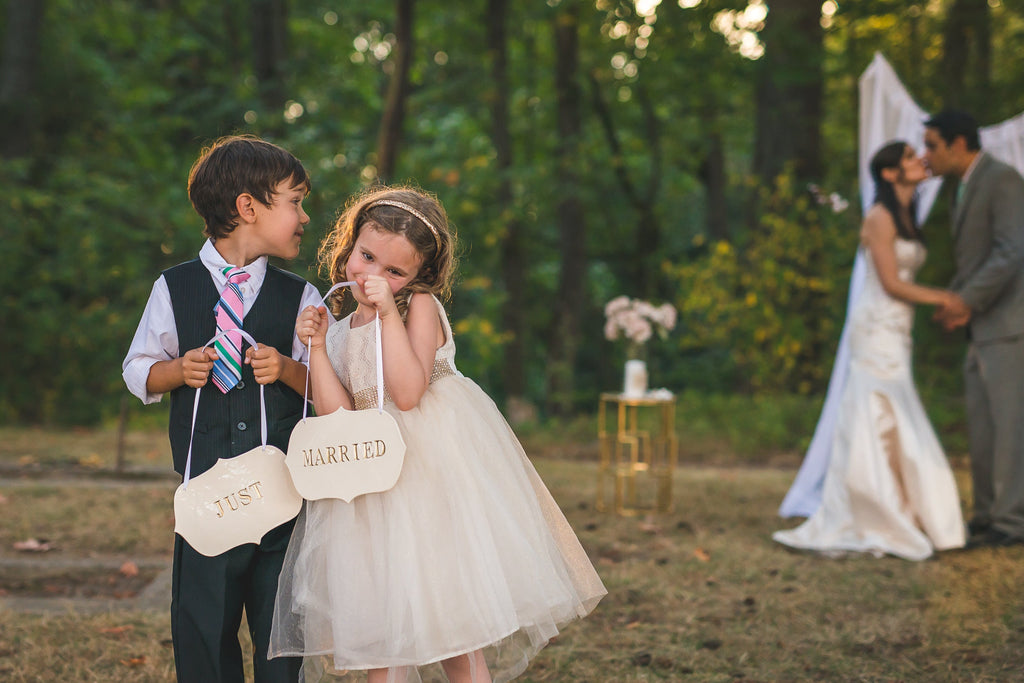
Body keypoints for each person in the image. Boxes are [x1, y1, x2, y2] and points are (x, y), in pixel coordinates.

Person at [269, 186, 606, 682]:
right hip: (368, 487)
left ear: (417, 276)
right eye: (365, 257)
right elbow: (337, 412)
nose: (372, 276)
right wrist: (318, 348)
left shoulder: (416, 307)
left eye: (394, 271)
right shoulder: (341, 325)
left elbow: (407, 393)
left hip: (428, 481)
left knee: (452, 626)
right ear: (349, 245)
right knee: (379, 632)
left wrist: (387, 313)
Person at [123, 135, 323, 682]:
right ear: (248, 206)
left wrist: (287, 368)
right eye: (295, 201)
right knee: (203, 633)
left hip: (283, 504)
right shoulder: (175, 287)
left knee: (281, 636)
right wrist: (174, 372)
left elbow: (325, 391)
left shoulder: (301, 297)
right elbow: (138, 366)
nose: (304, 216)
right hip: (204, 500)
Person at [773, 141, 966, 560]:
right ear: (890, 173)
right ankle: (873, 509)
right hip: (876, 326)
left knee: (894, 409)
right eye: (910, 158)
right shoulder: (879, 218)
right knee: (876, 410)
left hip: (898, 328)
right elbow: (892, 283)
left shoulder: (906, 217)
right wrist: (944, 299)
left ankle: (904, 508)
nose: (920, 161)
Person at [924, 109, 1024, 548]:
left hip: (1008, 325)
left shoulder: (1002, 179)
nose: (927, 155)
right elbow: (975, 259)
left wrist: (967, 300)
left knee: (1010, 429)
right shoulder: (960, 188)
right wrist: (952, 298)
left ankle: (1013, 522)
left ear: (958, 143)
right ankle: (986, 516)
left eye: (932, 145)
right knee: (983, 428)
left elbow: (1012, 249)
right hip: (979, 327)